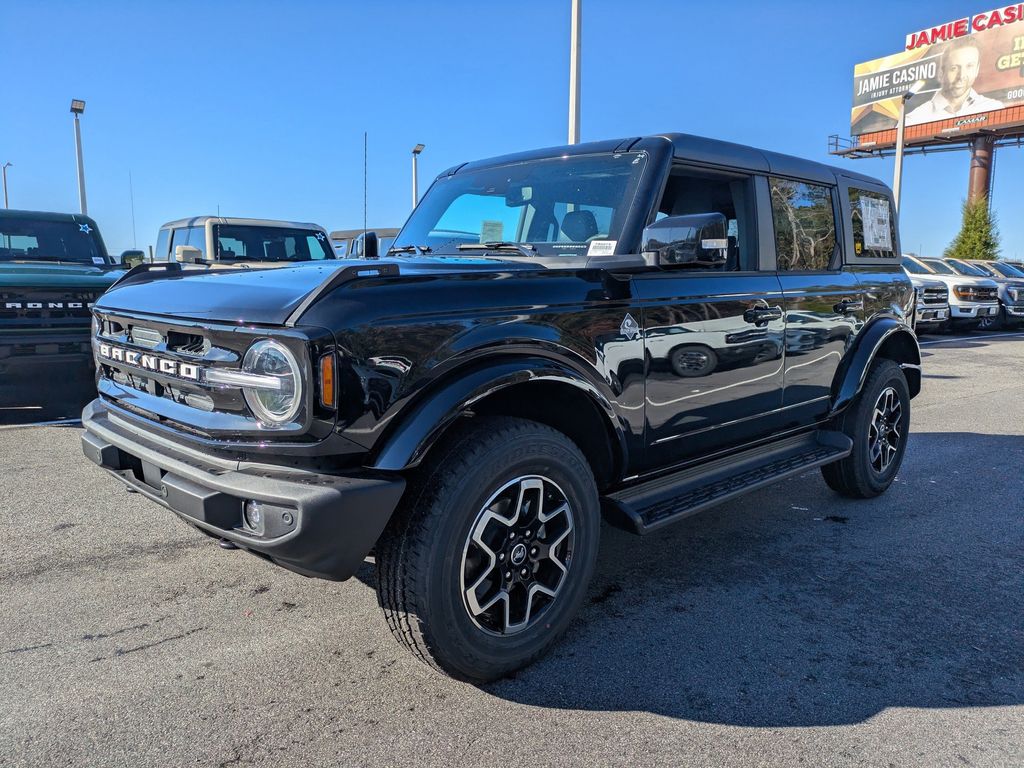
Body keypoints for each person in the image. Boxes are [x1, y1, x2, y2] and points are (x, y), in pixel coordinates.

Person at [906, 37, 1003, 125]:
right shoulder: (914, 119)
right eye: (954, 68)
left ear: (977, 69)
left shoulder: (993, 108)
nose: (961, 76)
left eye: (969, 66)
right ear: (942, 72)